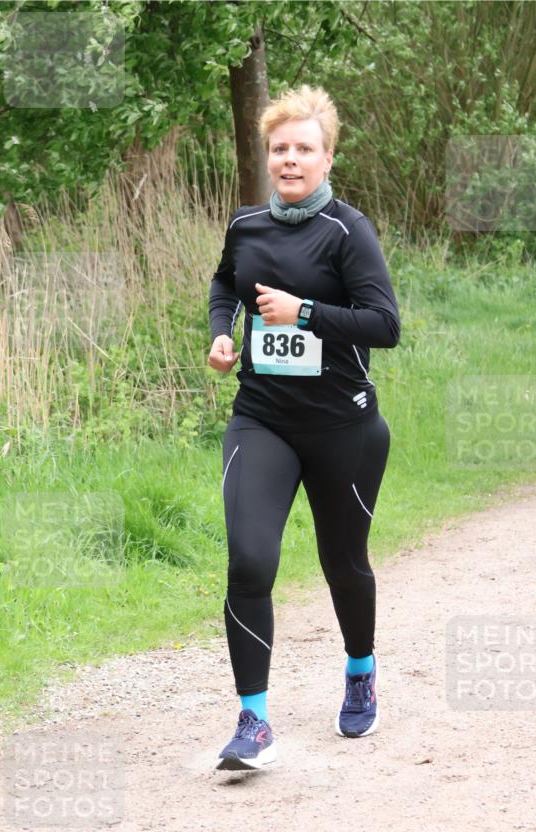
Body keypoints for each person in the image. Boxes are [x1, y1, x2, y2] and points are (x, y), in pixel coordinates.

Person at [208, 85, 400, 770]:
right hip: (261, 420)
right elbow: (225, 284)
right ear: (268, 157)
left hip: (342, 428)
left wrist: (305, 313)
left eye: (303, 149)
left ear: (327, 159)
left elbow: (385, 326)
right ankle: (253, 721)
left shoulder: (348, 232)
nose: (289, 160)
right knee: (249, 560)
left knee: (342, 563)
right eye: (279, 148)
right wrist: (222, 333)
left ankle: (359, 669)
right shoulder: (246, 225)